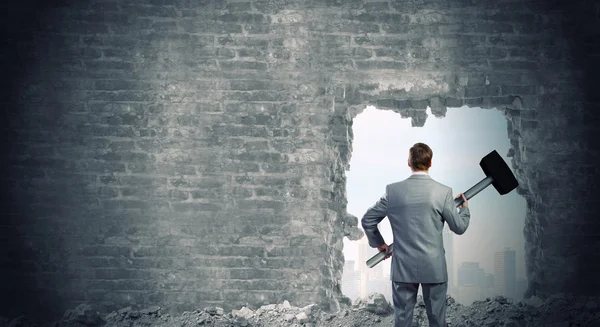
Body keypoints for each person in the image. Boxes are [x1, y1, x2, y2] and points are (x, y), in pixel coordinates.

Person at [361, 142, 471, 327]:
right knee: (437, 321)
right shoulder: (443, 192)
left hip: (403, 268)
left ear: (408, 163)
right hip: (433, 268)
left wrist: (379, 243)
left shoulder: (393, 192)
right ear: (431, 163)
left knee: (402, 322)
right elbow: (459, 227)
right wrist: (465, 210)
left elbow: (367, 220)